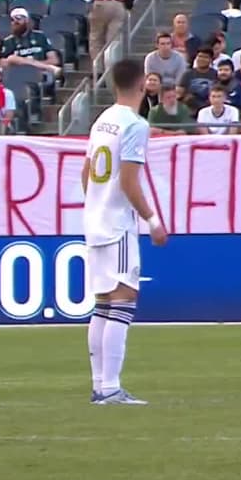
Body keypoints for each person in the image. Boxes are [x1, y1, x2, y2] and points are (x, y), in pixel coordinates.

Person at [80, 58, 167, 406]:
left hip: (95, 221)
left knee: (103, 304)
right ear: (144, 83)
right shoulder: (135, 124)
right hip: (117, 225)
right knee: (123, 301)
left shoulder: (102, 120)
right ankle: (111, 388)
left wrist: (97, 204)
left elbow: (85, 173)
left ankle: (101, 386)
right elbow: (130, 181)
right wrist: (153, 220)